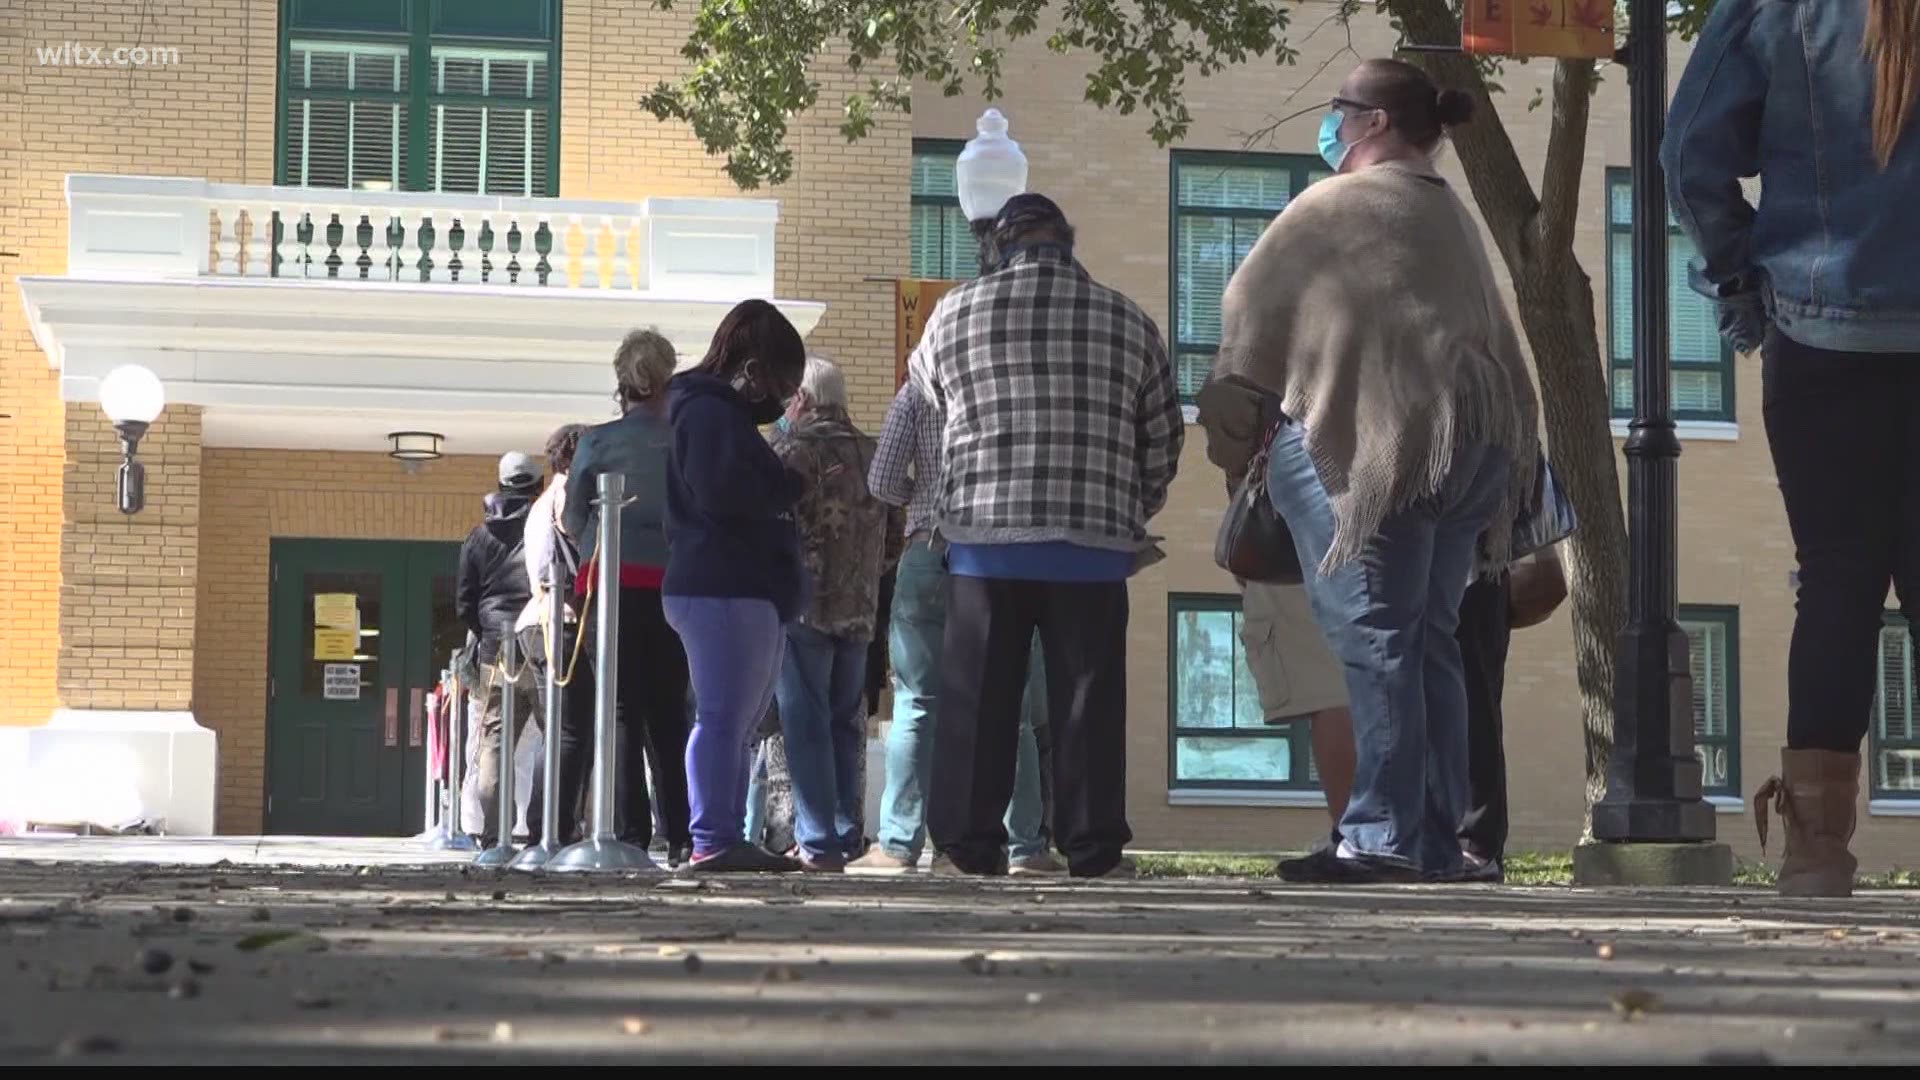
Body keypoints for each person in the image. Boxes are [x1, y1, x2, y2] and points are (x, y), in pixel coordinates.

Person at [1200, 58, 1539, 882]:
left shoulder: (1332, 206)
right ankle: (1433, 840)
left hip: (1370, 450)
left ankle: (1381, 836)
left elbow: (1247, 322)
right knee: (1430, 640)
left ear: (1374, 122)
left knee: (1375, 635)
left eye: (1339, 110)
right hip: (1475, 452)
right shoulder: (1450, 216)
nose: (1331, 123)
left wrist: (1238, 444)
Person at [1664, 0, 1920, 897]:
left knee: (1837, 580)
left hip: (1821, 332)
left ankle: (1816, 849)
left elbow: (1687, 152)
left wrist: (1743, 281)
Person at [910, 193, 1185, 880]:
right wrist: (1127, 505)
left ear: (997, 245)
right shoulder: (1130, 319)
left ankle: (969, 850)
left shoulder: (953, 313)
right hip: (1092, 546)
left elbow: (929, 413)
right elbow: (1163, 437)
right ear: (1069, 241)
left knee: (979, 700)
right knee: (1088, 701)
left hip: (984, 538)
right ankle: (1092, 848)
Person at [851, 376, 1061, 877]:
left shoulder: (915, 393)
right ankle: (1025, 846)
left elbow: (880, 481)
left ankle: (900, 845)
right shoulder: (1003, 386)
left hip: (929, 546)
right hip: (995, 553)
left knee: (917, 703)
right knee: (1010, 706)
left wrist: (921, 496)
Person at [663, 299, 810, 873]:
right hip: (724, 583)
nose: (780, 400)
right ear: (751, 370)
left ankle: (721, 833)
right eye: (780, 383)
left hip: (734, 585)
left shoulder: (711, 414)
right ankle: (714, 835)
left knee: (736, 721)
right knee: (724, 717)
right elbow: (724, 494)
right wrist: (785, 486)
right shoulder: (709, 415)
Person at [563, 328, 694, 865]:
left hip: (609, 587)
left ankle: (629, 835)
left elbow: (573, 520)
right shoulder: (686, 440)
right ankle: (682, 834)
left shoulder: (596, 442)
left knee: (617, 709)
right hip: (673, 586)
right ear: (669, 378)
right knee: (669, 712)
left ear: (622, 383)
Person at [765, 355, 898, 871]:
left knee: (804, 722)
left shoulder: (786, 449)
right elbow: (894, 538)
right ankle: (845, 835)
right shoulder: (875, 452)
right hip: (859, 609)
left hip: (802, 609)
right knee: (847, 723)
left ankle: (817, 840)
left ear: (802, 398)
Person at [458, 451, 543, 847]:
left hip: (496, 649)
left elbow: (464, 603)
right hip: (543, 643)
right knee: (558, 737)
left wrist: (488, 632)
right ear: (538, 485)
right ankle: (545, 831)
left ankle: (492, 835)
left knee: (492, 743)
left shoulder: (478, 536)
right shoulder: (547, 525)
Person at [518, 423, 590, 845]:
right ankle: (553, 825)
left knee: (560, 729)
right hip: (562, 620)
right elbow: (584, 541)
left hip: (538, 618)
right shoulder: (566, 494)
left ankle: (548, 822)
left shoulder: (539, 502)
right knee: (570, 730)